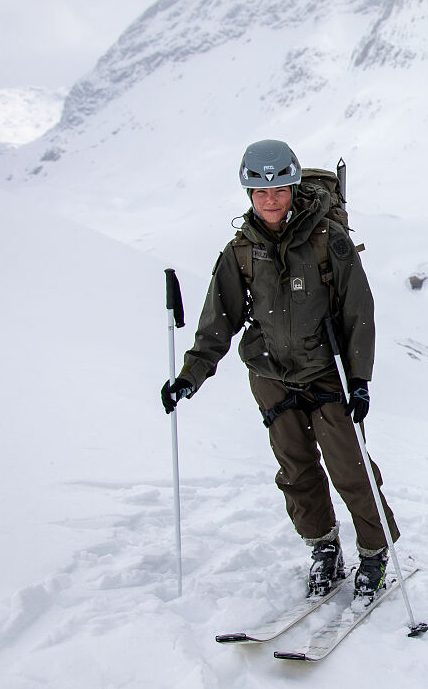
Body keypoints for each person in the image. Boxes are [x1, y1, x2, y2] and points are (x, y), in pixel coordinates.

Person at [160, 139, 398, 600]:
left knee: (349, 466)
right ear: (248, 194)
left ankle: (373, 550)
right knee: (296, 468)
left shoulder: (330, 240)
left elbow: (358, 311)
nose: (271, 201)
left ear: (292, 186)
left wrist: (360, 380)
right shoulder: (240, 251)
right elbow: (219, 320)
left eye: (280, 190)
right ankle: (324, 546)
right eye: (260, 193)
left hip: (326, 370)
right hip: (268, 373)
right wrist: (190, 376)